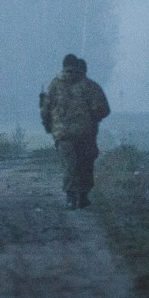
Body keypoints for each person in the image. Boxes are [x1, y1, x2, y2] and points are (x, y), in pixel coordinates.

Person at [39, 53, 110, 209]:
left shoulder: (54, 85)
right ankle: (83, 196)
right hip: (85, 133)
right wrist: (93, 119)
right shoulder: (89, 85)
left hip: (62, 133)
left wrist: (48, 126)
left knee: (69, 165)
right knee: (85, 163)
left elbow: (45, 109)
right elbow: (103, 109)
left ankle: (70, 197)